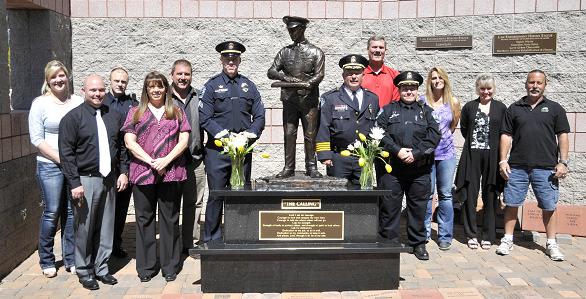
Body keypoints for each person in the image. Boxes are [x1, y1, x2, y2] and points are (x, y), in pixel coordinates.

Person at [58, 75, 128, 290]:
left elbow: (122, 148)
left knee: (106, 227)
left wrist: (123, 172)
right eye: (93, 90)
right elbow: (66, 154)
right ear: (83, 91)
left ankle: (102, 268)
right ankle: (84, 270)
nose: (97, 94)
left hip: (109, 179)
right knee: (84, 228)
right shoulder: (72, 118)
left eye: (100, 90)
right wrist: (74, 183)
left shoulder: (114, 116)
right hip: (85, 181)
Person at [122, 71, 191, 282]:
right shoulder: (135, 112)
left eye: (159, 86)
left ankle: (170, 266)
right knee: (144, 220)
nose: (156, 90)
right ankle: (146, 267)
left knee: (170, 220)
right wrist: (152, 161)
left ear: (165, 88)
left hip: (171, 172)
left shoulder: (177, 111)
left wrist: (166, 160)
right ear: (146, 89)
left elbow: (184, 140)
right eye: (151, 86)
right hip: (143, 174)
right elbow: (129, 142)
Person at [497, 70, 570, 261]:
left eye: (539, 83)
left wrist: (563, 162)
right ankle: (507, 239)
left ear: (545, 85)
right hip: (517, 167)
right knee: (511, 204)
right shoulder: (514, 108)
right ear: (526, 84)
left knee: (548, 206)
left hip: (546, 168)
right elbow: (506, 135)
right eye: (531, 82)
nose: (535, 86)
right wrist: (503, 160)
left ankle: (551, 243)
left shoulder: (555, 109)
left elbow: (562, 135)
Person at [200, 41, 266, 243]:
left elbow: (260, 116)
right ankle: (211, 238)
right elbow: (205, 117)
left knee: (240, 193)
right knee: (217, 194)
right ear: (221, 60)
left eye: (234, 59)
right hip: (217, 151)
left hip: (242, 151)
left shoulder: (249, 85)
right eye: (227, 58)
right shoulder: (211, 86)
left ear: (239, 60)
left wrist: (247, 136)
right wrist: (227, 138)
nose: (231, 62)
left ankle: (238, 235)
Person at [376, 71, 441, 261]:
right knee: (390, 207)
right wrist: (397, 150)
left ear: (417, 89)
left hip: (419, 169)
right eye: (405, 88)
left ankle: (418, 243)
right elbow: (378, 132)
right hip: (392, 169)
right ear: (399, 89)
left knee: (418, 208)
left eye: (412, 88)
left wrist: (416, 153)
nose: (409, 91)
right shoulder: (388, 110)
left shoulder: (426, 111)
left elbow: (434, 136)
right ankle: (389, 241)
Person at [28, 60, 82, 278]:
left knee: (71, 213)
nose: (59, 80)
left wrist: (73, 161)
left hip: (73, 166)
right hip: (49, 166)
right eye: (54, 77)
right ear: (48, 81)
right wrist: (62, 159)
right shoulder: (40, 104)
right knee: (52, 212)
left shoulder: (77, 101)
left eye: (62, 75)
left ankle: (70, 258)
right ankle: (47, 259)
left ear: (67, 76)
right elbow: (37, 139)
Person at [267, 16, 325, 178]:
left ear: (302, 29)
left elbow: (319, 74)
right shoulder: (284, 52)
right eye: (289, 30)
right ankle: (288, 167)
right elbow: (271, 71)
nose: (291, 33)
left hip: (308, 101)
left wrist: (309, 83)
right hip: (289, 100)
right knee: (289, 133)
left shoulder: (315, 52)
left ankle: (311, 167)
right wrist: (286, 78)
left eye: (294, 30)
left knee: (310, 134)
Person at [454, 73, 507, 250]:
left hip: (492, 156)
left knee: (490, 194)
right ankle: (471, 234)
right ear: (478, 89)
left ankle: (488, 235)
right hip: (473, 154)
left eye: (489, 88)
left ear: (494, 89)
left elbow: (504, 133)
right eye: (482, 88)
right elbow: (465, 130)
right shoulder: (470, 107)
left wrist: (502, 159)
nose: (486, 92)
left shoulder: (501, 108)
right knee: (470, 193)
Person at [316, 54, 379, 184]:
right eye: (349, 73)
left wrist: (374, 154)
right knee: (337, 199)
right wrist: (324, 155)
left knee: (364, 197)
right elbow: (323, 126)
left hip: (364, 157)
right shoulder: (330, 98)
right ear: (343, 75)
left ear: (363, 75)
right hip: (338, 158)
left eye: (357, 73)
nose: (354, 76)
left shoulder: (372, 98)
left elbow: (376, 128)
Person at [169, 59, 207, 253]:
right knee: (171, 204)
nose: (183, 78)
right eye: (180, 74)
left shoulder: (199, 97)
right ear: (172, 75)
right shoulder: (164, 98)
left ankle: (190, 242)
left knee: (194, 203)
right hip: (171, 163)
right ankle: (172, 244)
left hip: (196, 160)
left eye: (187, 74)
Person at [422, 67, 461, 251]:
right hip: (427, 155)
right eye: (433, 78)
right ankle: (425, 233)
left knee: (445, 194)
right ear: (429, 81)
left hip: (446, 155)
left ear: (445, 80)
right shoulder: (422, 102)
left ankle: (445, 235)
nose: (437, 81)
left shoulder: (453, 102)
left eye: (440, 78)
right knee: (427, 194)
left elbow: (452, 127)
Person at [104, 66, 137, 258]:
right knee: (104, 207)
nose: (120, 84)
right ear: (110, 81)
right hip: (106, 164)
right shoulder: (102, 101)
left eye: (123, 81)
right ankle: (102, 247)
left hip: (126, 164)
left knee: (121, 207)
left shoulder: (132, 105)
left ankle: (116, 243)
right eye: (116, 81)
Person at [361, 36, 400, 107]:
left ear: (385, 51)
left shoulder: (394, 75)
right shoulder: (359, 74)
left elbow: (396, 102)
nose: (378, 50)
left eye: (381, 48)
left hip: (387, 117)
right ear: (367, 49)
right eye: (374, 47)